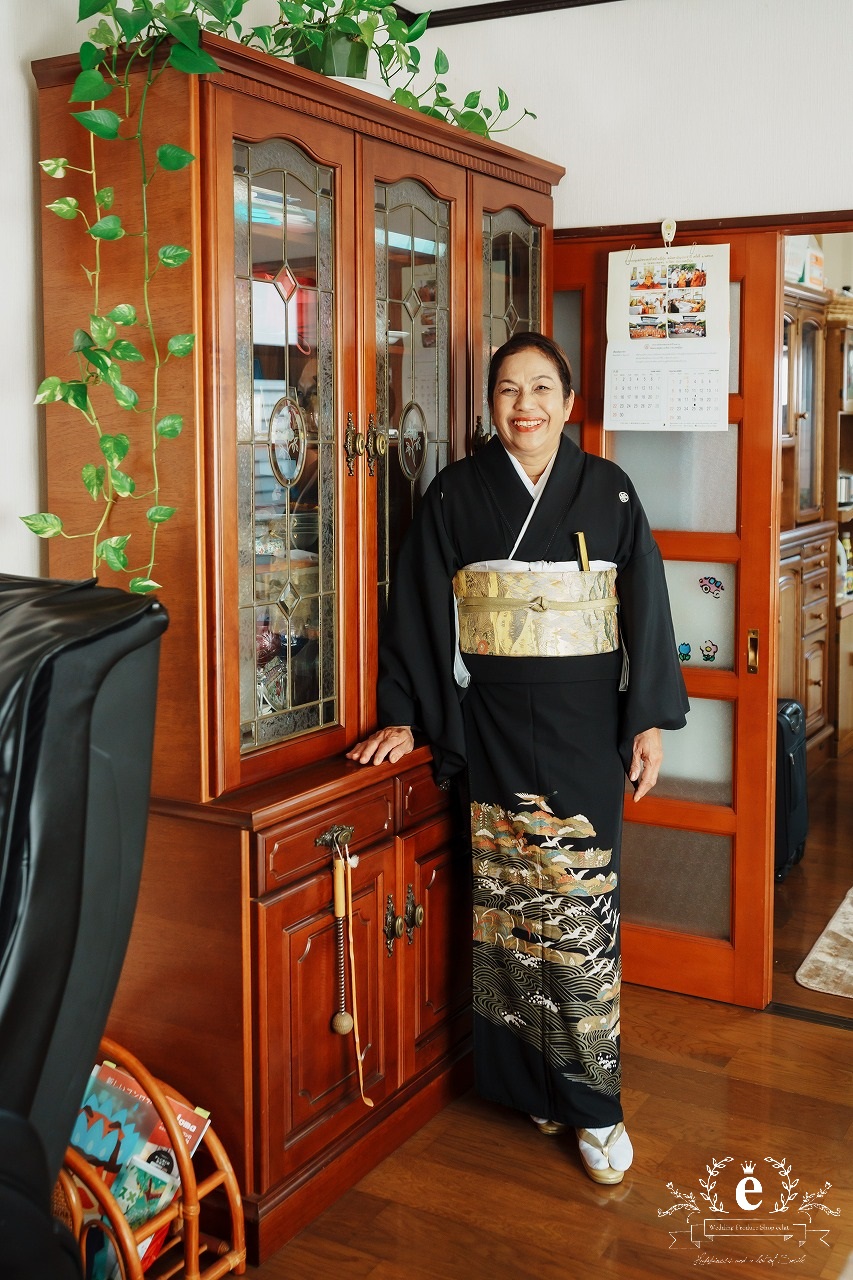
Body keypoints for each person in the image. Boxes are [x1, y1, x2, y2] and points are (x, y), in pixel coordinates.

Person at [347, 332, 688, 1186]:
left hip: (585, 724)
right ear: (490, 404)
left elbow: (644, 603)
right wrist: (407, 716)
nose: (523, 405)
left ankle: (594, 1102)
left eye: (541, 388)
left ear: (568, 403)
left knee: (579, 904)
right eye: (507, 389)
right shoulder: (455, 493)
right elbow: (417, 611)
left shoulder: (609, 488)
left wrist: (646, 720)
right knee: (507, 901)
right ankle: (532, 1083)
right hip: (492, 722)